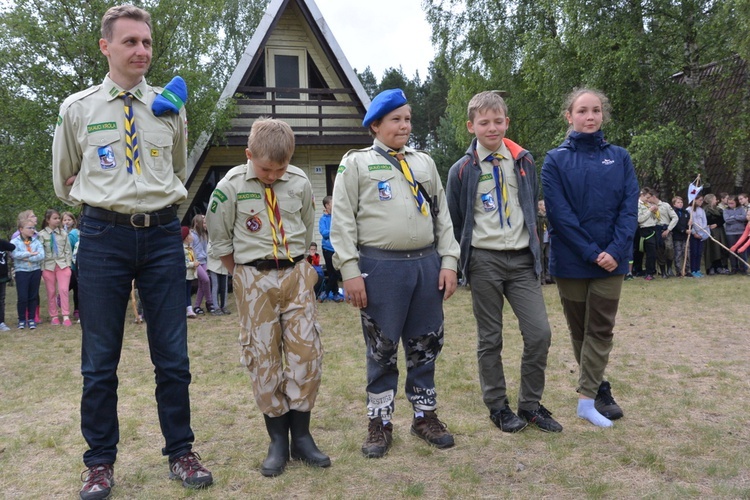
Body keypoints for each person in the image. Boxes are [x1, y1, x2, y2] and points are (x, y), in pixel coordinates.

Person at [51, 5, 212, 497]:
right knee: (100, 360)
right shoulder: (77, 109)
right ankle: (99, 463)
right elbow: (64, 181)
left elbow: (177, 170)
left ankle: (181, 453)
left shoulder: (170, 105)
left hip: (164, 236)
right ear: (106, 47)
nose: (141, 50)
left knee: (173, 358)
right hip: (102, 238)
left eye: (146, 42)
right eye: (130, 42)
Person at [331, 88, 460, 457]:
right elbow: (342, 221)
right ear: (375, 125)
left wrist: (448, 261)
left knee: (425, 345)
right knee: (382, 349)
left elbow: (443, 217)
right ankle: (379, 423)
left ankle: (424, 416)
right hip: (379, 268)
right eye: (396, 119)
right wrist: (349, 270)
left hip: (425, 265)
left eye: (407, 119)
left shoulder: (424, 163)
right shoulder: (355, 163)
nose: (404, 126)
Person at [206, 118, 330, 477]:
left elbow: (307, 228)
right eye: (265, 168)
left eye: (280, 168)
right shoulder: (229, 187)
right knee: (263, 356)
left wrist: (301, 267)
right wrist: (245, 274)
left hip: (294, 273)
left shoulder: (301, 183)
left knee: (306, 352)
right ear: (249, 155)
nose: (273, 175)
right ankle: (277, 440)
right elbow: (221, 241)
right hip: (253, 276)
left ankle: (302, 437)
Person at [446, 90, 561, 434]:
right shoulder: (463, 169)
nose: (492, 128)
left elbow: (530, 205)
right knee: (490, 338)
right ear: (471, 126)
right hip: (484, 260)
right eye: (484, 122)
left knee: (539, 333)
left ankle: (530, 405)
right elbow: (454, 220)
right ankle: (498, 406)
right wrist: (456, 262)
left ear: (506, 122)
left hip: (523, 260)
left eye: (498, 121)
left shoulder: (523, 161)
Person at [541, 88, 639, 427]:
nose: (590, 116)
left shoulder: (621, 158)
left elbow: (629, 208)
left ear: (603, 115)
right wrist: (591, 251)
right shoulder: (555, 160)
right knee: (580, 329)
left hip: (612, 261)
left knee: (601, 327)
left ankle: (588, 396)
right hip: (571, 260)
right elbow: (560, 214)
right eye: (582, 111)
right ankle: (598, 387)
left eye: (596, 110)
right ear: (569, 116)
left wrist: (613, 251)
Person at [38, 209, 74, 326]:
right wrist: (42, 268)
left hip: (62, 265)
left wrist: (68, 265)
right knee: (51, 291)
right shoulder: (41, 234)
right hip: (48, 266)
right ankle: (54, 315)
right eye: (55, 218)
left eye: (59, 218)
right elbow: (40, 252)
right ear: (48, 220)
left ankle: (66, 315)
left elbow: (68, 250)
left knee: (63, 290)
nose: (58, 220)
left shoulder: (63, 234)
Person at [11, 218, 44, 330]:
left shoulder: (36, 241)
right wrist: (30, 254)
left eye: (33, 228)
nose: (32, 230)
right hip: (22, 272)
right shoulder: (15, 242)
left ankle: (31, 318)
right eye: (29, 228)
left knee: (33, 296)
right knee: (22, 296)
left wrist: (26, 257)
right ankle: (21, 319)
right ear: (21, 229)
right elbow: (15, 254)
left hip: (35, 271)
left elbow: (41, 256)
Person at [647, 190, 678, 277]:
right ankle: (663, 271)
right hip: (656, 230)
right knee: (659, 250)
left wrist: (668, 229)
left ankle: (669, 268)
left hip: (666, 229)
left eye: (649, 197)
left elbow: (675, 217)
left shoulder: (665, 205)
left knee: (669, 248)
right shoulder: (648, 207)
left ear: (654, 197)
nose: (648, 199)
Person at [318, 196, 343, 302]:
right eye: (333, 202)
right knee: (332, 272)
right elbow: (324, 233)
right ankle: (335, 294)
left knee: (336, 272)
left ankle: (327, 292)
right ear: (327, 205)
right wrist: (334, 230)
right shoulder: (323, 219)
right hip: (327, 248)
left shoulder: (337, 217)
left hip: (338, 248)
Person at [190, 214, 213, 314]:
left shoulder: (204, 235)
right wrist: (193, 262)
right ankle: (209, 302)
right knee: (206, 280)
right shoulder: (191, 235)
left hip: (204, 261)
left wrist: (207, 262)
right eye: (203, 222)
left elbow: (205, 249)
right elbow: (189, 249)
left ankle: (197, 306)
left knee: (202, 284)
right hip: (196, 262)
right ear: (197, 223)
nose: (205, 224)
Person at [703, 193, 729, 275]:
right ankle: (712, 267)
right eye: (714, 199)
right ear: (711, 200)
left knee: (721, 249)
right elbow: (705, 220)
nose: (716, 200)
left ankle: (720, 266)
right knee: (712, 249)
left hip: (719, 231)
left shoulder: (719, 210)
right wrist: (709, 225)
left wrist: (717, 224)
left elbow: (723, 219)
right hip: (711, 231)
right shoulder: (705, 210)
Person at [637, 188, 659, 281]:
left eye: (649, 197)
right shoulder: (637, 205)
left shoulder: (648, 204)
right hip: (644, 230)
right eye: (647, 197)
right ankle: (647, 273)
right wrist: (649, 210)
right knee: (648, 252)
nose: (648, 199)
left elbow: (655, 218)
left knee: (653, 252)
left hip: (653, 228)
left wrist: (655, 212)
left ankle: (651, 270)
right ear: (641, 195)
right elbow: (640, 219)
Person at [62, 212, 81, 319]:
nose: (67, 222)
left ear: (74, 221)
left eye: (69, 219)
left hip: (77, 264)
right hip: (69, 264)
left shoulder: (76, 233)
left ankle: (77, 309)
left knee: (77, 288)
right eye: (65, 220)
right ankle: (61, 297)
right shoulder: (66, 234)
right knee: (71, 284)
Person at [724, 195, 747, 274]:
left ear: (736, 202)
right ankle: (734, 268)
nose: (730, 205)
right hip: (730, 233)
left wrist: (733, 216)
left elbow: (744, 217)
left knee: (742, 250)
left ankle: (743, 268)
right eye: (729, 203)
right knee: (732, 250)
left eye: (732, 203)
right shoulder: (726, 210)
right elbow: (727, 220)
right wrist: (738, 218)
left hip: (741, 232)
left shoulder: (741, 209)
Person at [687, 194, 710, 277]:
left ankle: (698, 269)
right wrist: (694, 233)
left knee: (699, 253)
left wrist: (702, 232)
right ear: (694, 200)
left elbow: (704, 222)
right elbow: (689, 224)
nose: (701, 202)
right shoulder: (688, 210)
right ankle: (693, 270)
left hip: (701, 234)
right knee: (694, 253)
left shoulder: (701, 210)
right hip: (693, 235)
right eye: (700, 200)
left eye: (702, 200)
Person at [671, 196, 692, 277]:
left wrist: (689, 225)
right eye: (678, 202)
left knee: (687, 253)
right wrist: (683, 230)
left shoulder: (686, 212)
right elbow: (675, 224)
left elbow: (688, 223)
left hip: (685, 237)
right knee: (678, 254)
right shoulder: (673, 212)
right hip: (677, 236)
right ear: (674, 204)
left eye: (681, 202)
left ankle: (687, 270)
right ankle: (679, 271)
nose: (680, 204)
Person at [0, 238, 16, 331]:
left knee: (1, 300)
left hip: (1, 276)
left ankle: (1, 322)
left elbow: (12, 247)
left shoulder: (1, 243)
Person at [182, 226, 198, 318]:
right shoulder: (182, 249)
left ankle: (189, 309)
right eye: (190, 234)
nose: (192, 236)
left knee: (188, 291)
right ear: (186, 237)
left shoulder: (190, 248)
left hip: (190, 274)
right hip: (184, 274)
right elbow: (184, 263)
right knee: (184, 292)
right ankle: (185, 309)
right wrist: (193, 264)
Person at [537, 200, 554, 285]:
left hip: (548, 240)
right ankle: (542, 278)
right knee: (541, 258)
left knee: (548, 257)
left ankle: (549, 277)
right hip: (540, 241)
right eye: (543, 205)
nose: (545, 207)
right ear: (539, 206)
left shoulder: (548, 216)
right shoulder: (537, 217)